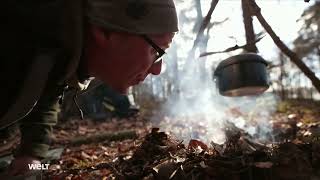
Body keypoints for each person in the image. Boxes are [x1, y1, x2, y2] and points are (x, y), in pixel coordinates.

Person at [1, 0, 178, 176]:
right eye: (156, 51)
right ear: (106, 30)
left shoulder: (58, 55)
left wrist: (31, 154)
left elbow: (46, 95)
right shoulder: (16, 36)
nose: (157, 70)